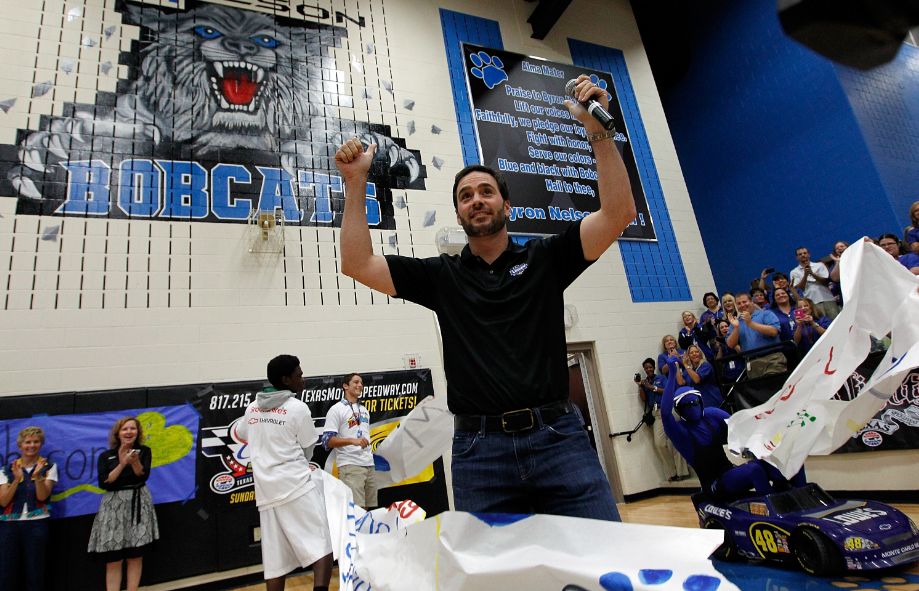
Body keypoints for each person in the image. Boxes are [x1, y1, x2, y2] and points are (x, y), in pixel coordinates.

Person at [336, 75, 634, 520]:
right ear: (458, 213)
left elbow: (618, 213)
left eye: (486, 192)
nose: (476, 200)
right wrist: (356, 182)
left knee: (601, 564)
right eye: (466, 196)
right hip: (480, 451)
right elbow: (357, 263)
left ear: (506, 206)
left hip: (559, 439)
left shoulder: (546, 257)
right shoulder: (443, 276)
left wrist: (597, 129)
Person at [236, 355, 333, 591]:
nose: (303, 379)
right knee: (323, 546)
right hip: (297, 487)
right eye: (299, 375)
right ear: (286, 379)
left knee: (275, 564)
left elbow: (240, 433)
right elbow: (308, 446)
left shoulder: (252, 408)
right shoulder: (297, 408)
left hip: (267, 494)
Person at [660, 356, 805, 502]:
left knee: (786, 460)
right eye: (687, 405)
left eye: (695, 402)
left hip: (730, 472)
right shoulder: (680, 431)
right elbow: (665, 414)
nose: (693, 407)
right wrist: (673, 373)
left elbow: (740, 428)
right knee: (754, 470)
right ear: (679, 410)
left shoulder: (711, 415)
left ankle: (800, 496)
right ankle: (776, 508)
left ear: (701, 401)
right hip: (714, 484)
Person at [88, 417, 159, 591]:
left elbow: (142, 476)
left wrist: (134, 462)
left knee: (135, 556)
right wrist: (121, 464)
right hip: (113, 506)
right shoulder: (106, 456)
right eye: (124, 429)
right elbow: (105, 483)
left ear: (138, 432)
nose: (128, 432)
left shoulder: (144, 451)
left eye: (132, 429)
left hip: (138, 501)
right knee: (113, 559)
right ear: (118, 433)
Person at [0, 426, 57, 591]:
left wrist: (38, 477)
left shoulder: (49, 467)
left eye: (36, 442)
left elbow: (42, 496)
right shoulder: (6, 469)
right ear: (20, 446)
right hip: (8, 525)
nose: (31, 445)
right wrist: (17, 479)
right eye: (28, 442)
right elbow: (3, 502)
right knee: (6, 570)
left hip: (36, 524)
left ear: (41, 444)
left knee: (35, 569)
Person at [322, 373, 377, 509]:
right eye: (356, 382)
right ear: (345, 386)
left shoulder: (364, 410)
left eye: (361, 383)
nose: (360, 385)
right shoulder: (336, 410)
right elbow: (327, 441)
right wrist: (352, 441)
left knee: (369, 509)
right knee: (356, 510)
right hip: (350, 465)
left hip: (369, 464)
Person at [635, 358, 688, 482]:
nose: (648, 369)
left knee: (676, 441)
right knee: (659, 444)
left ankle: (681, 472)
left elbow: (669, 391)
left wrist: (652, 388)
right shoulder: (645, 382)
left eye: (650, 367)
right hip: (657, 414)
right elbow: (644, 399)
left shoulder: (662, 378)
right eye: (646, 368)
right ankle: (672, 472)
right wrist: (641, 387)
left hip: (669, 410)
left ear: (653, 367)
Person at [726, 292, 785, 379]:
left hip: (772, 359)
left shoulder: (766, 314)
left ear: (752, 302)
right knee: (760, 391)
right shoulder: (735, 322)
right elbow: (730, 344)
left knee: (775, 387)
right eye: (739, 303)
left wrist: (750, 323)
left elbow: (774, 331)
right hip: (751, 363)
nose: (742, 305)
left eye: (744, 302)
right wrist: (736, 328)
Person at [789, 247, 839, 320]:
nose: (803, 255)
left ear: (809, 254)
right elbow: (799, 289)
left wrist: (812, 274)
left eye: (805, 253)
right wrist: (805, 275)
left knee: (836, 320)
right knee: (822, 323)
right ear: (797, 257)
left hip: (827, 298)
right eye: (800, 254)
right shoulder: (794, 272)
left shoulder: (819, 265)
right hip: (812, 302)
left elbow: (826, 281)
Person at [676, 344, 724, 410]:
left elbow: (697, 379)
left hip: (711, 401)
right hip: (699, 403)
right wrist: (676, 364)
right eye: (691, 353)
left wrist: (685, 364)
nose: (694, 354)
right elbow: (681, 382)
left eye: (696, 352)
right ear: (688, 356)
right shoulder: (689, 369)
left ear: (700, 353)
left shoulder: (706, 365)